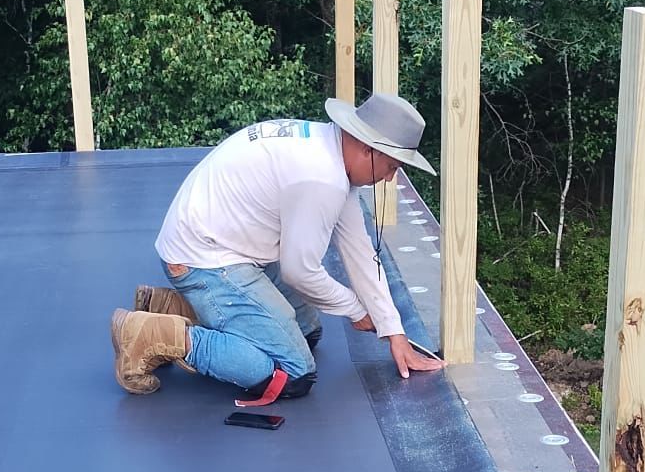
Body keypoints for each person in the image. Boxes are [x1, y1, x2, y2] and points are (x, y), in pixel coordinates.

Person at [110, 91, 445, 400]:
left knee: (308, 332)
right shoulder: (321, 178)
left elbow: (359, 249)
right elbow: (300, 272)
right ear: (369, 148)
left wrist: (393, 330)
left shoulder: (330, 148)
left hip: (224, 245)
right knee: (292, 373)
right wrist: (356, 310)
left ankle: (172, 307)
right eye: (391, 167)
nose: (389, 178)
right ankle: (150, 334)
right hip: (205, 258)